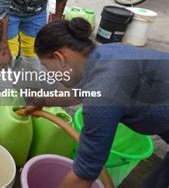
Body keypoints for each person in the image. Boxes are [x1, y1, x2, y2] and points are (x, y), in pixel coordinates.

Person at [27, 18, 169, 188]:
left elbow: (83, 176)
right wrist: (42, 100)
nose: (49, 73)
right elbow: (81, 91)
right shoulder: (105, 54)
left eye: (46, 66)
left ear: (60, 57)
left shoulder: (102, 98)